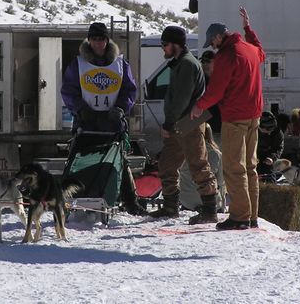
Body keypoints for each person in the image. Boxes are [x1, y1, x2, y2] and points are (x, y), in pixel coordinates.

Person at [191, 7, 265, 230]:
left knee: (234, 168)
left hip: (235, 118)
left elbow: (216, 91)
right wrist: (248, 29)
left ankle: (240, 217)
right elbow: (262, 52)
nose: (212, 47)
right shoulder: (249, 49)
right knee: (251, 167)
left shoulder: (226, 56)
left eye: (211, 43)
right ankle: (251, 216)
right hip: (255, 117)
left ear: (217, 37)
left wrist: (198, 106)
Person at [61, 22, 146, 215]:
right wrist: (81, 109)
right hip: (86, 123)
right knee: (78, 160)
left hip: (112, 123)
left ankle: (130, 201)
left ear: (107, 41)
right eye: (95, 39)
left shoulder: (120, 64)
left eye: (102, 39)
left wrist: (121, 108)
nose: (98, 43)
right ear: (89, 41)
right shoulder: (78, 64)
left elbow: (129, 90)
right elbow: (68, 90)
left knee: (120, 162)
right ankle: (70, 200)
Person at [149, 25, 218, 224]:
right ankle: (171, 207)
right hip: (181, 123)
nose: (163, 48)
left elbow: (180, 99)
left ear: (175, 45)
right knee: (167, 164)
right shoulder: (180, 63)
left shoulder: (187, 64)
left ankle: (210, 209)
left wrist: (168, 123)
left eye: (165, 44)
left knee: (198, 165)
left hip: (188, 122)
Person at [179, 124, 226, 213]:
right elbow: (221, 181)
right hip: (211, 200)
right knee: (220, 186)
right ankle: (220, 208)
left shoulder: (183, 152)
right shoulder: (216, 154)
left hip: (186, 200)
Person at [200, 50, 222, 136]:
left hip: (219, 126)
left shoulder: (221, 78)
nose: (205, 64)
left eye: (208, 61)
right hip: (204, 126)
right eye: (203, 61)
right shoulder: (199, 79)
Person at [257, 111, 284, 178]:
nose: (270, 132)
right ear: (260, 127)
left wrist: (272, 158)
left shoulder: (277, 132)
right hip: (253, 158)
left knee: (270, 178)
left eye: (272, 129)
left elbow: (279, 147)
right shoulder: (252, 131)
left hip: (268, 158)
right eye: (268, 130)